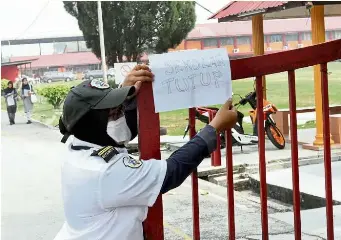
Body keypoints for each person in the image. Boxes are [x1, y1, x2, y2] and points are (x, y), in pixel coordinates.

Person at [55, 64, 237, 240]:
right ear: (93, 125)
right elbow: (172, 171)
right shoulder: (104, 170)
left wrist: (124, 93)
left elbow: (118, 133)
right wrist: (214, 128)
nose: (120, 114)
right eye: (114, 113)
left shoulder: (78, 144)